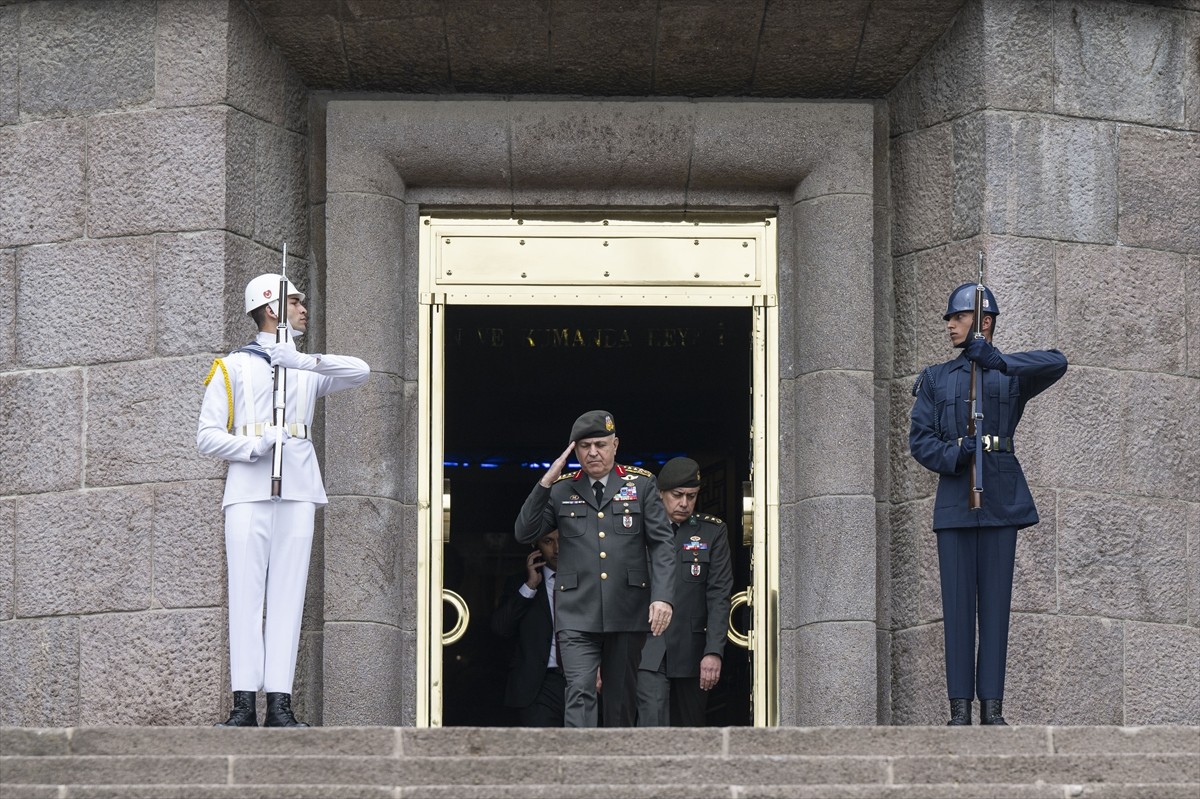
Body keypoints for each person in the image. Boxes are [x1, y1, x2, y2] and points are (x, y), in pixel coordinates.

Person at [198, 272, 370, 727]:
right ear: (272, 308)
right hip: (249, 488)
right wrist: (252, 445)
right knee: (246, 596)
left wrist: (302, 359)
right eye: (296, 301)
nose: (304, 308)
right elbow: (207, 437)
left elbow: (361, 371)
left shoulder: (304, 366)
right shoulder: (232, 367)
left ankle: (280, 702)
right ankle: (242, 704)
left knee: (289, 595)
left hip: (296, 487)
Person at [909, 282, 1066, 727]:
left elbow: (1058, 362)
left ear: (984, 323)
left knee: (995, 609)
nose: (951, 326)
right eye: (951, 319)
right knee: (958, 610)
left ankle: (992, 710)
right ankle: (959, 712)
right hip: (958, 501)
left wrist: (997, 360)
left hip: (1000, 498)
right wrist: (957, 453)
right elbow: (920, 441)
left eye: (957, 318)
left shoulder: (1006, 373)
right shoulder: (937, 378)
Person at [515, 410, 676, 727]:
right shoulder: (560, 489)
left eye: (600, 444)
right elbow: (524, 532)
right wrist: (545, 482)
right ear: (574, 451)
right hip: (576, 610)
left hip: (627, 609)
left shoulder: (641, 485)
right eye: (584, 446)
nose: (592, 453)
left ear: (615, 445)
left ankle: (614, 772)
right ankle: (579, 769)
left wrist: (663, 597)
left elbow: (662, 544)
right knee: (579, 691)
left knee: (620, 700)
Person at [636, 457, 733, 727]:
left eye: (691, 496)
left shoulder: (712, 531)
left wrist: (713, 651)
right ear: (660, 494)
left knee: (690, 731)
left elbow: (718, 595)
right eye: (677, 495)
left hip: (693, 649)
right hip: (647, 647)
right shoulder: (638, 530)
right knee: (651, 729)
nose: (684, 503)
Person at [490, 529, 565, 726]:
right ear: (536, 546)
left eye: (562, 539)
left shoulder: (589, 580)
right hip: (538, 687)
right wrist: (530, 587)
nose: (557, 548)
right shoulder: (520, 583)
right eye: (548, 541)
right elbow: (500, 628)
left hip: (582, 681)